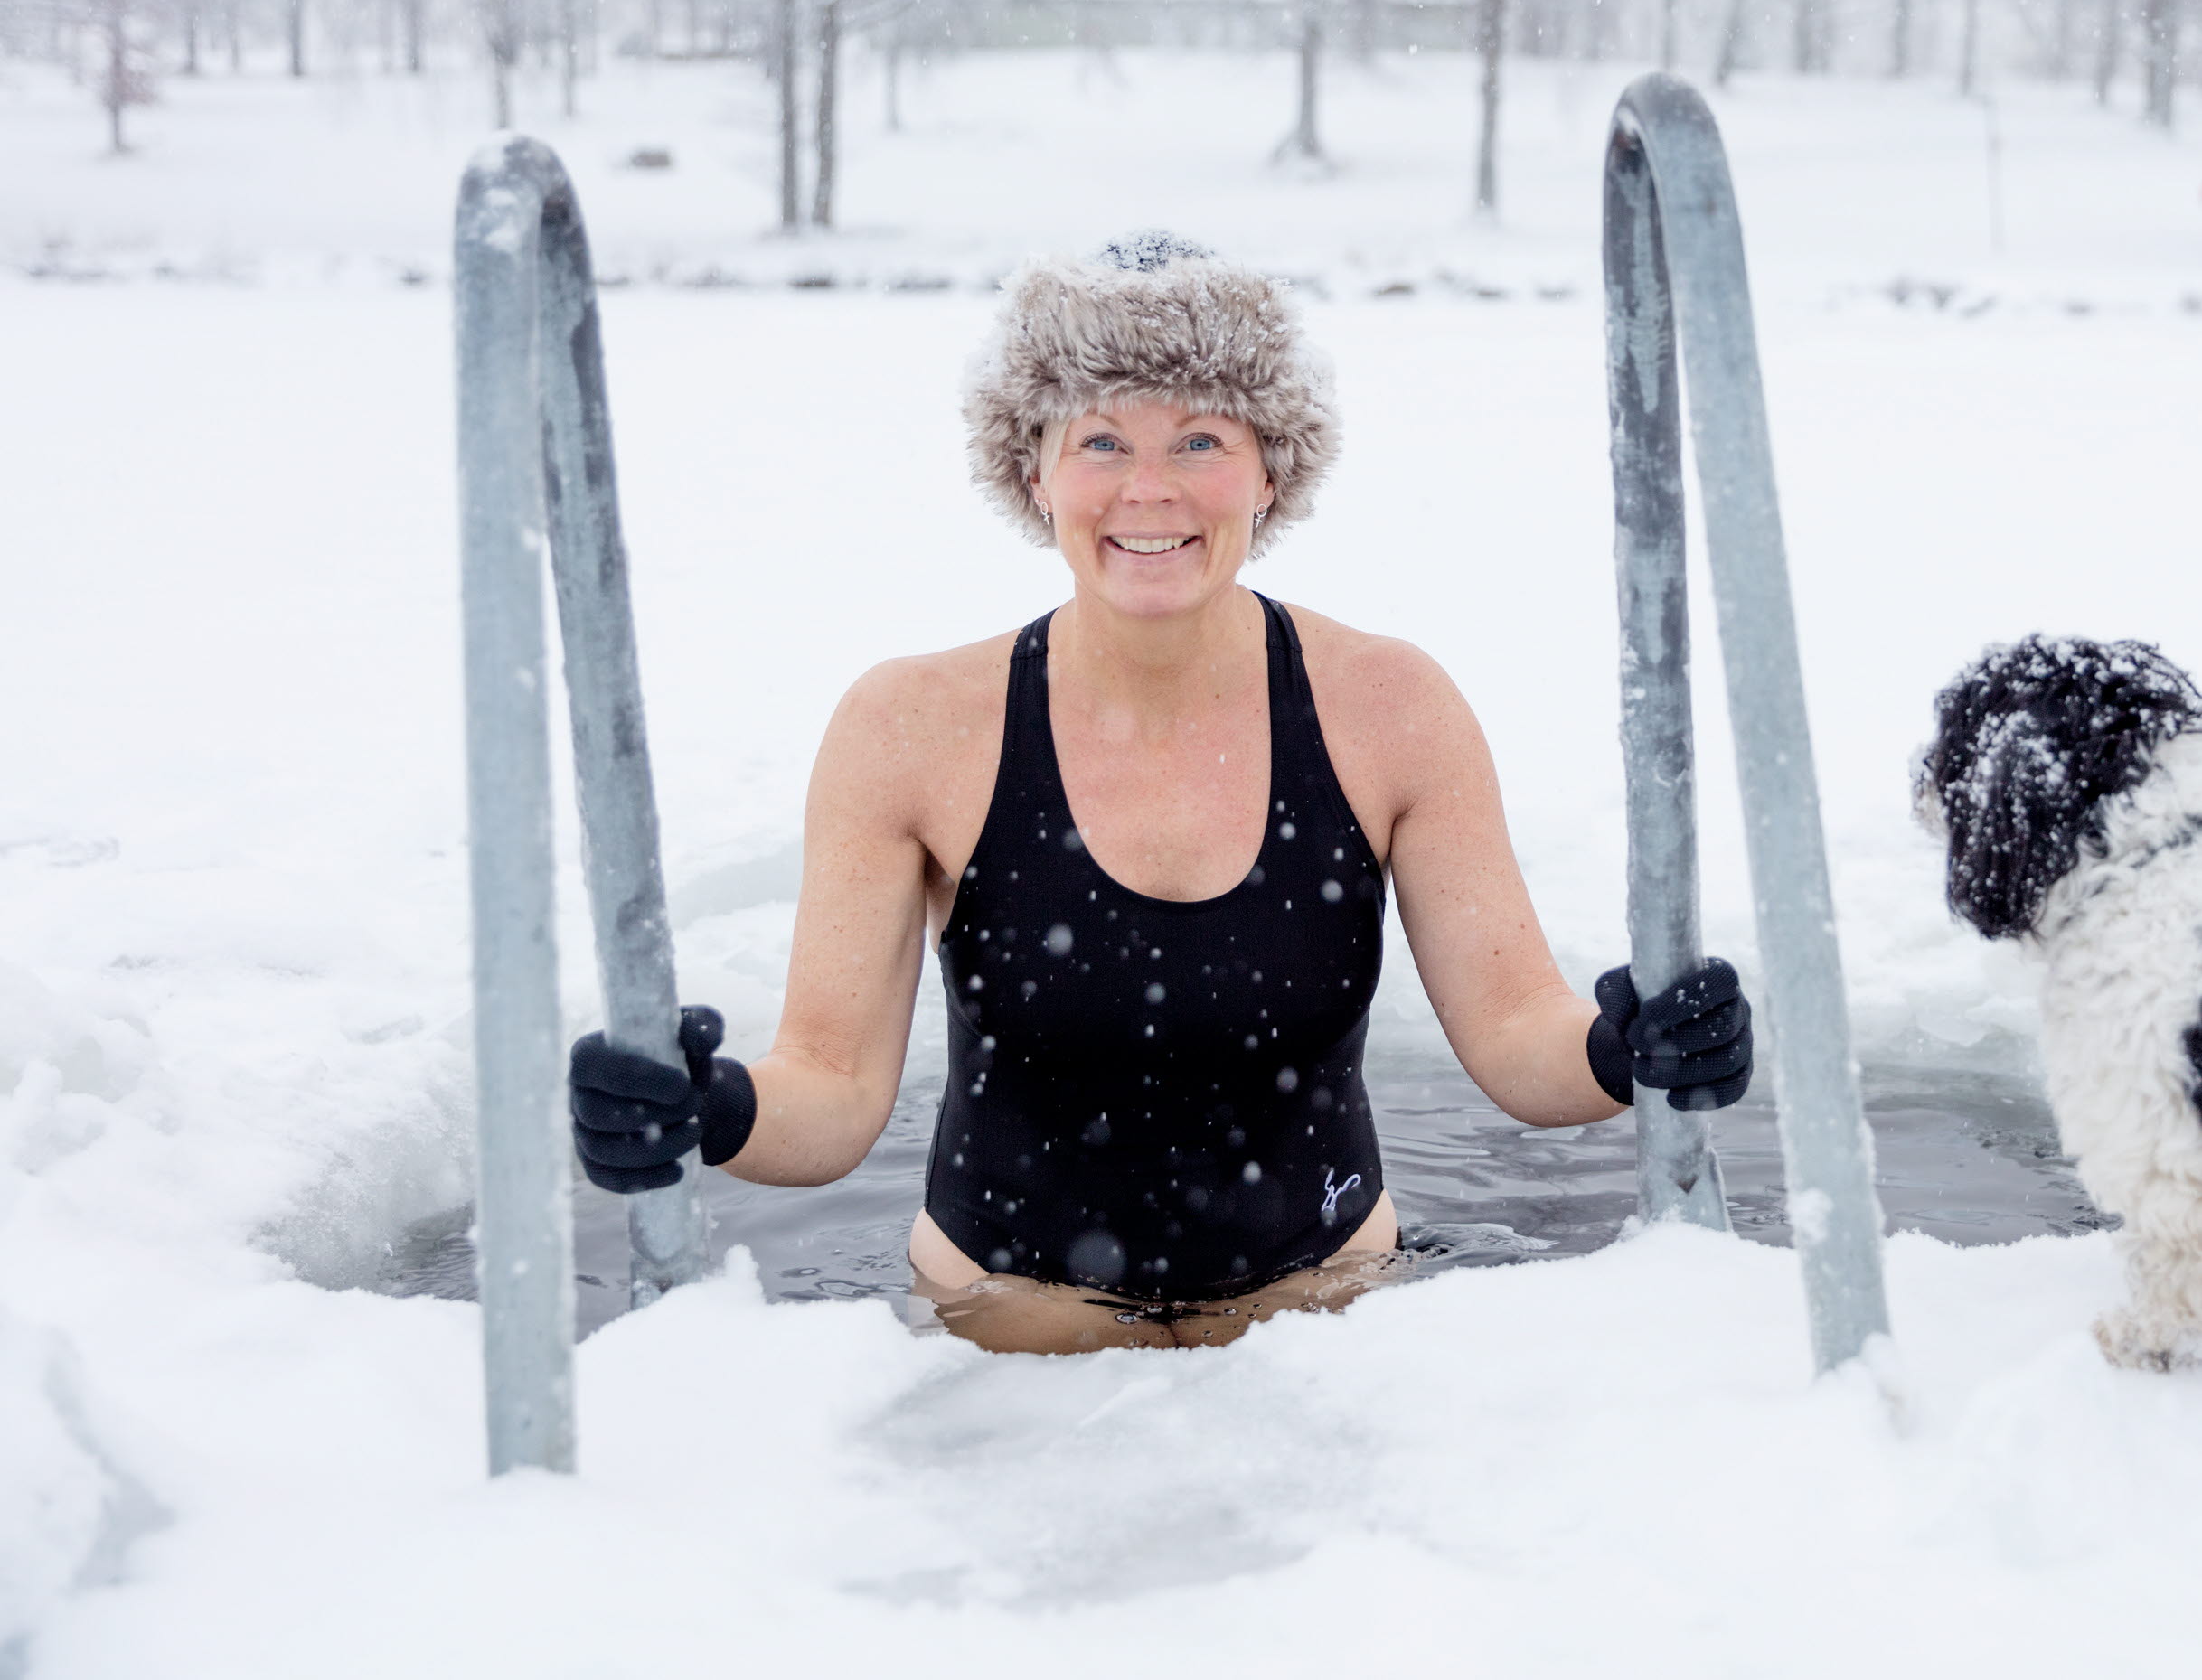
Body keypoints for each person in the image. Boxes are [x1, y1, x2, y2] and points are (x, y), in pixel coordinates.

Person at [568, 234, 1752, 1352]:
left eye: (1198, 440)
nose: (1149, 490)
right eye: (1100, 441)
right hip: (1001, 1345)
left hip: (1327, 1335)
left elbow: (1515, 1034)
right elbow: (829, 1087)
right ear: (1033, 471)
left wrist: (1628, 1049)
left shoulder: (1390, 707)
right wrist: (708, 1109)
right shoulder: (910, 727)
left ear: (1271, 470)